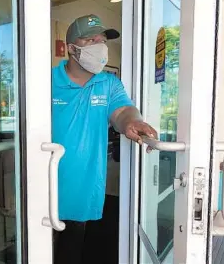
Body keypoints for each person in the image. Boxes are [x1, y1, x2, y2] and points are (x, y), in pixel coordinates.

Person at [52, 14, 158, 264]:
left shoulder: (108, 83)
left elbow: (122, 111)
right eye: (92, 40)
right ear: (71, 48)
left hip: (81, 189)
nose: (100, 46)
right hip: (44, 184)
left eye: (103, 40)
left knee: (70, 250)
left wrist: (132, 122)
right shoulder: (47, 82)